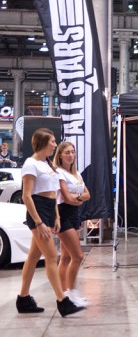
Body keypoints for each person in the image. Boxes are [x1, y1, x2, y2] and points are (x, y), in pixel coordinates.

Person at [17, 128, 83, 317]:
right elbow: (26, 196)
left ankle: (23, 299)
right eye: (52, 141)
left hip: (49, 210)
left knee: (33, 257)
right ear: (43, 143)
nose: (55, 144)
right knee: (52, 256)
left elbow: (53, 194)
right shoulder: (30, 164)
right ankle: (62, 301)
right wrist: (39, 223)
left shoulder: (48, 164)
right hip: (37, 211)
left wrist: (56, 217)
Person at [54, 141, 91, 307]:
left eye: (72, 152)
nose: (71, 155)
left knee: (66, 257)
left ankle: (65, 294)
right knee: (78, 256)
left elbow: (88, 194)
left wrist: (77, 198)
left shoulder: (76, 174)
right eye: (67, 152)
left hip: (75, 215)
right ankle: (72, 292)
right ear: (60, 155)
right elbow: (67, 198)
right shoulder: (59, 173)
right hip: (63, 215)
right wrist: (78, 198)